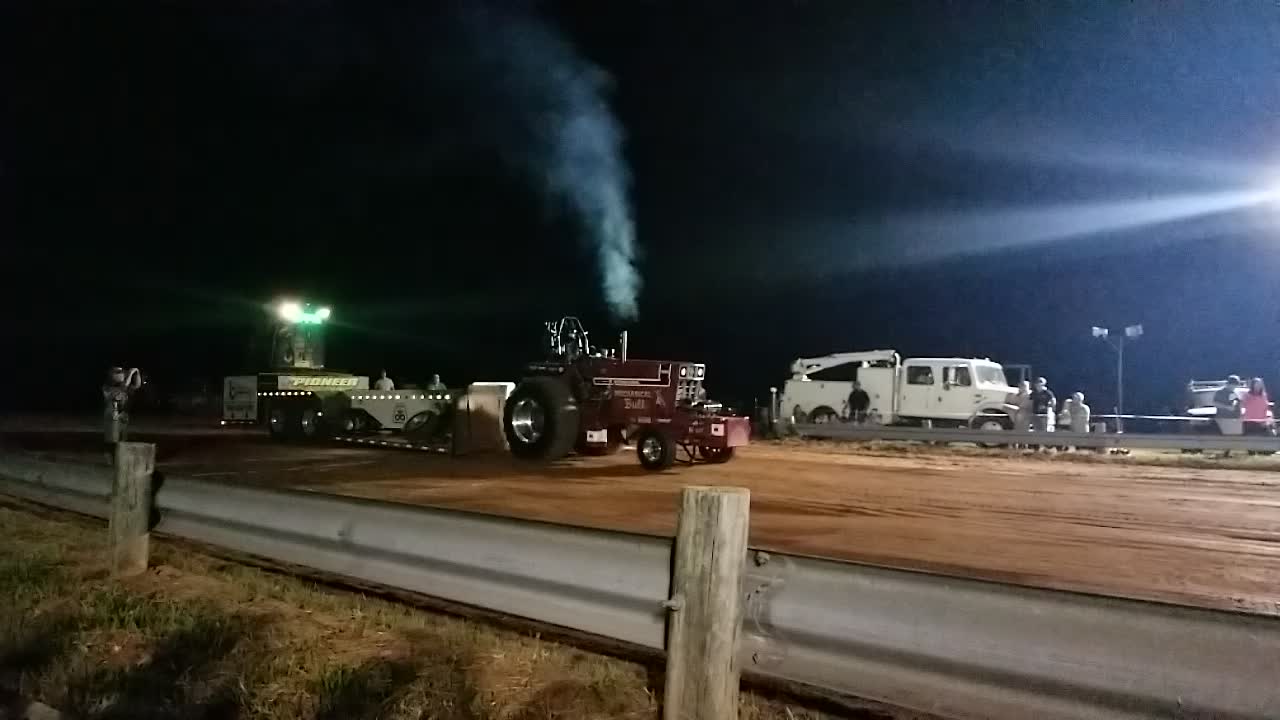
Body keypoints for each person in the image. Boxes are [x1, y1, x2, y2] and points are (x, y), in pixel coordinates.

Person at [103, 366, 142, 444]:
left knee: (123, 437)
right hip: (113, 413)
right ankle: (110, 452)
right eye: (118, 373)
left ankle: (119, 452)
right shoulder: (108, 387)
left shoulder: (125, 386)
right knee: (113, 438)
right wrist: (130, 373)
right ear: (112, 376)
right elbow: (123, 387)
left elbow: (137, 385)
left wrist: (137, 373)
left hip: (123, 413)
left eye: (122, 372)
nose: (122, 374)